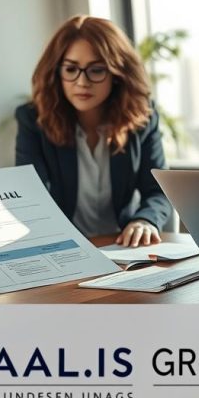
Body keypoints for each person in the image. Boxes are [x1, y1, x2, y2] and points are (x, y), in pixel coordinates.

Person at [15, 15, 171, 247]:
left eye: (96, 70)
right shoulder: (33, 120)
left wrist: (144, 220)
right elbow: (32, 200)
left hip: (124, 246)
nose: (82, 82)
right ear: (56, 73)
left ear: (118, 74)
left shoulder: (142, 117)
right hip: (67, 247)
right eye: (71, 69)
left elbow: (159, 191)